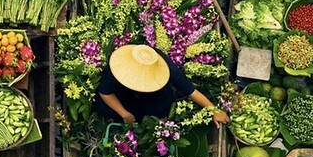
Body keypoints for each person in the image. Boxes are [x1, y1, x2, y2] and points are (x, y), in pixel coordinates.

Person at [95, 44, 230, 127]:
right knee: (103, 106)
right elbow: (105, 92)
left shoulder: (166, 67)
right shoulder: (121, 67)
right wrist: (125, 114)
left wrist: (214, 110)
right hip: (122, 93)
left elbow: (190, 91)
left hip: (153, 95)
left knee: (161, 107)